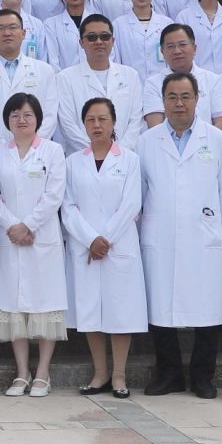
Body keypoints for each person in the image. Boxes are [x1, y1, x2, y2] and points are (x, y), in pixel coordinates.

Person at [138, 72, 222, 399]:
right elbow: (141, 192)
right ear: (163, 101)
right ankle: (170, 374)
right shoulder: (146, 141)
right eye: (172, 97)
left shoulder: (216, 140)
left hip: (202, 235)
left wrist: (218, 228)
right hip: (160, 235)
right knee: (161, 308)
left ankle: (203, 377)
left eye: (185, 96)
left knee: (207, 308)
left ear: (197, 99)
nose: (179, 104)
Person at [63, 97, 146, 400]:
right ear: (83, 125)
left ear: (114, 123)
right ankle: (100, 374)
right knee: (90, 311)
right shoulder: (73, 162)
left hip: (118, 246)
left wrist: (104, 239)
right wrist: (90, 239)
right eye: (90, 120)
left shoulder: (130, 160)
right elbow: (67, 206)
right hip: (85, 247)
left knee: (120, 311)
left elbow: (132, 204)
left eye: (102, 119)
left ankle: (119, 375)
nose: (96, 125)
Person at [0, 92, 67, 397]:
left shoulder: (53, 151)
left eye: (27, 115)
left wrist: (29, 225)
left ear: (38, 119)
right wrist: (13, 226)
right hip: (9, 238)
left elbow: (54, 194)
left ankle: (43, 373)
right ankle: (22, 373)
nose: (21, 120)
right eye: (15, 115)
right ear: (7, 120)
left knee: (45, 305)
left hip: (42, 237)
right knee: (14, 305)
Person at [0, 9, 60, 146]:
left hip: (36, 151)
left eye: (13, 27)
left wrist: (30, 145)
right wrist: (2, 147)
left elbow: (50, 116)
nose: (7, 33)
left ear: (23, 33)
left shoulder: (45, 70)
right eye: (0, 28)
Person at [57, 15, 142, 151]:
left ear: (113, 41)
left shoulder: (131, 75)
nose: (99, 42)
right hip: (82, 156)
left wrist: (118, 152)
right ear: (81, 43)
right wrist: (96, 151)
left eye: (105, 37)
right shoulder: (65, 78)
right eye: (91, 37)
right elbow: (68, 125)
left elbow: (136, 121)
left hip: (125, 155)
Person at [141, 23, 222, 132]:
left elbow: (221, 122)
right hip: (166, 141)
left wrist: (205, 140)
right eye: (170, 46)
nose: (177, 51)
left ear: (194, 48)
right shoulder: (153, 84)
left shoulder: (212, 80)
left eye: (182, 45)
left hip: (207, 141)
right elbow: (155, 126)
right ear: (162, 52)